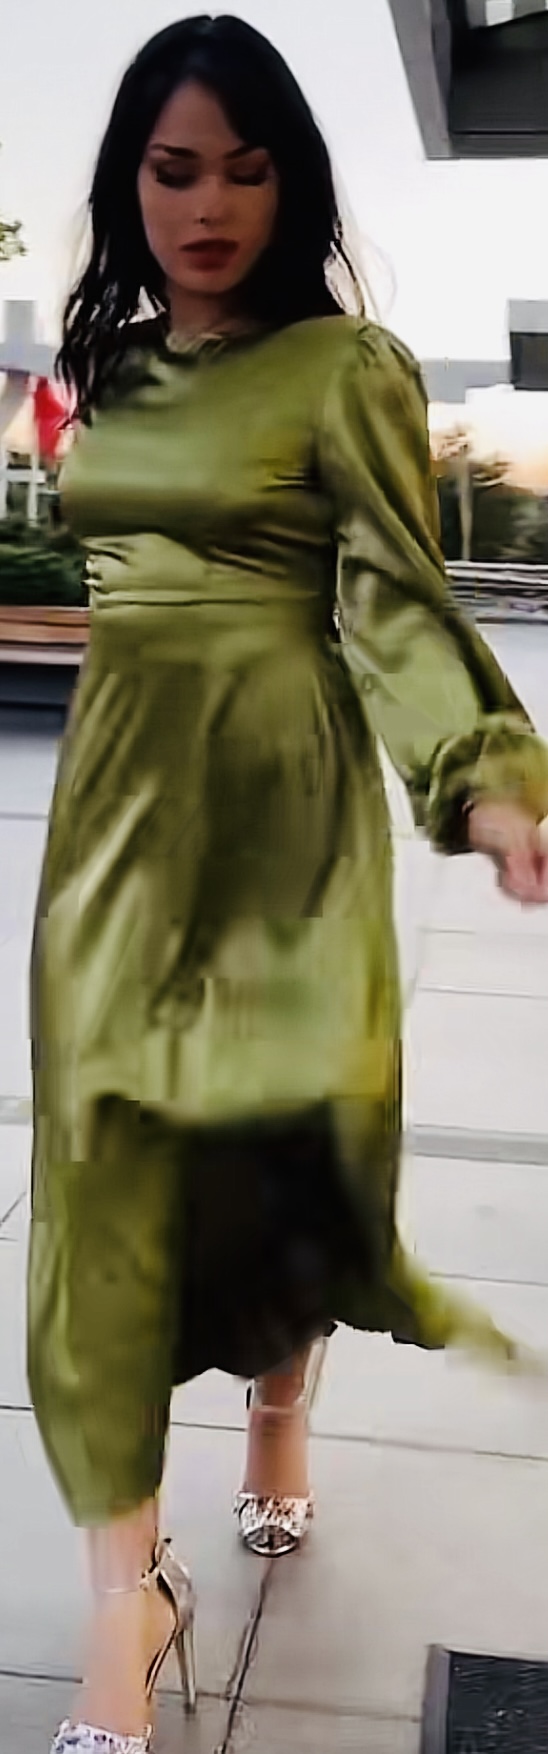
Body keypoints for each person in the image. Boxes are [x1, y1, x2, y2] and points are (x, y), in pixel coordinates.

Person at [29, 15, 548, 1754]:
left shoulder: (348, 368)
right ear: (130, 182)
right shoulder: (110, 371)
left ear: (290, 184)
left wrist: (483, 779)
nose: (209, 207)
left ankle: (276, 1420)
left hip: (285, 826)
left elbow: (391, 597)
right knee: (102, 1182)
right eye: (174, 170)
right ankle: (126, 1609)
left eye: (246, 171)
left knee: (271, 1160)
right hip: (114, 828)